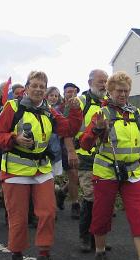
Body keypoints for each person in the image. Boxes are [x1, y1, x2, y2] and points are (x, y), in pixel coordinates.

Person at [0, 70, 83, 260]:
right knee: (19, 218)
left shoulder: (49, 111)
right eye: (35, 85)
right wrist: (14, 138)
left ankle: (44, 258)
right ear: (27, 87)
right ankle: (16, 257)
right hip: (15, 171)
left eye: (43, 86)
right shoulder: (12, 107)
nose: (39, 89)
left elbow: (68, 129)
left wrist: (76, 110)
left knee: (48, 213)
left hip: (41, 170)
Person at [80, 71, 140, 260]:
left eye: (126, 90)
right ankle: (100, 254)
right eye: (119, 90)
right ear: (110, 91)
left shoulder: (135, 113)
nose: (123, 94)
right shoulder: (102, 114)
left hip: (132, 173)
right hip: (107, 172)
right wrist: (97, 130)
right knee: (102, 215)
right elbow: (85, 144)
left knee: (138, 216)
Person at [75, 69, 108, 252]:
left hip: (104, 159)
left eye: (106, 81)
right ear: (90, 83)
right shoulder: (81, 101)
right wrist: (71, 151)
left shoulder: (108, 102)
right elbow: (70, 127)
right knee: (90, 198)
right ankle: (85, 236)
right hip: (85, 156)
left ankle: (98, 238)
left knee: (102, 201)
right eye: (100, 81)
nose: (104, 84)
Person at [54, 83, 81, 219]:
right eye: (68, 92)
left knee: (79, 177)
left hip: (83, 144)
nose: (71, 94)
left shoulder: (82, 106)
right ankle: (75, 204)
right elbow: (63, 128)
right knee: (73, 173)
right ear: (63, 95)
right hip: (64, 144)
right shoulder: (60, 108)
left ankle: (62, 192)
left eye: (73, 92)